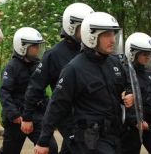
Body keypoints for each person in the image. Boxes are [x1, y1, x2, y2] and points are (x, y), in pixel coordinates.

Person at [35, 12, 134, 154]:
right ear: (91, 36)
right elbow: (57, 105)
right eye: (107, 35)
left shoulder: (115, 63)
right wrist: (43, 141)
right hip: (89, 140)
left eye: (113, 34)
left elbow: (126, 86)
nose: (112, 40)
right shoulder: (74, 69)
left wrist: (129, 94)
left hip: (113, 136)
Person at [22, 3, 94, 154]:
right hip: (67, 116)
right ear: (71, 27)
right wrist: (27, 116)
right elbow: (35, 87)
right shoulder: (54, 55)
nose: (89, 32)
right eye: (85, 28)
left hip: (89, 114)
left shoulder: (91, 53)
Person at [0, 27, 58, 154]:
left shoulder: (38, 66)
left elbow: (41, 92)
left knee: (50, 148)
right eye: (34, 46)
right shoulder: (11, 67)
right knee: (10, 151)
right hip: (16, 119)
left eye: (38, 46)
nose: (37, 49)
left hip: (36, 115)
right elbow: (4, 93)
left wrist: (49, 110)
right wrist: (14, 115)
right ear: (22, 46)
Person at [121, 32, 151, 154]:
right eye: (144, 54)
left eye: (150, 54)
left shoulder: (148, 72)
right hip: (133, 128)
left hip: (150, 123)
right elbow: (127, 99)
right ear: (133, 54)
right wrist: (136, 120)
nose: (148, 57)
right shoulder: (126, 73)